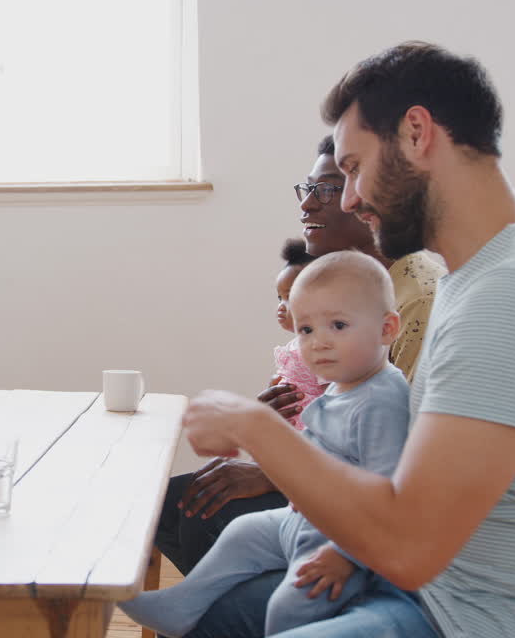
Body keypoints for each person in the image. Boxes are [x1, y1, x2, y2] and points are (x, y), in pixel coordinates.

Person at [182, 41, 515, 638]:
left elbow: (407, 548)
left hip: (477, 621)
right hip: (430, 597)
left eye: (354, 167)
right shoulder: (483, 273)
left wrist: (254, 428)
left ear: (417, 133)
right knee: (215, 608)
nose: (350, 198)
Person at [156, 136, 444, 576]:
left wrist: (274, 473)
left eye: (326, 189)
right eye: (307, 189)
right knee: (170, 504)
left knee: (206, 513)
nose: (308, 204)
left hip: (377, 501)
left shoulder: (418, 298)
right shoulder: (353, 278)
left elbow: (400, 447)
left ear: (379, 195)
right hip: (329, 467)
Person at [121, 252, 409, 637]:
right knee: (244, 533)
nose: (319, 342)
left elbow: (387, 497)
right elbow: (312, 453)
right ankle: (181, 604)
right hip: (301, 518)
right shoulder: (342, 386)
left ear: (387, 329)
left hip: (340, 537)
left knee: (287, 607)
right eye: (306, 330)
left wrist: (346, 556)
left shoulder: (383, 400)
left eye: (338, 325)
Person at [272, 239, 325, 430]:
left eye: (290, 296)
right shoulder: (296, 345)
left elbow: (336, 398)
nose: (281, 306)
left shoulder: (323, 347)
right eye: (280, 297)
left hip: (313, 431)